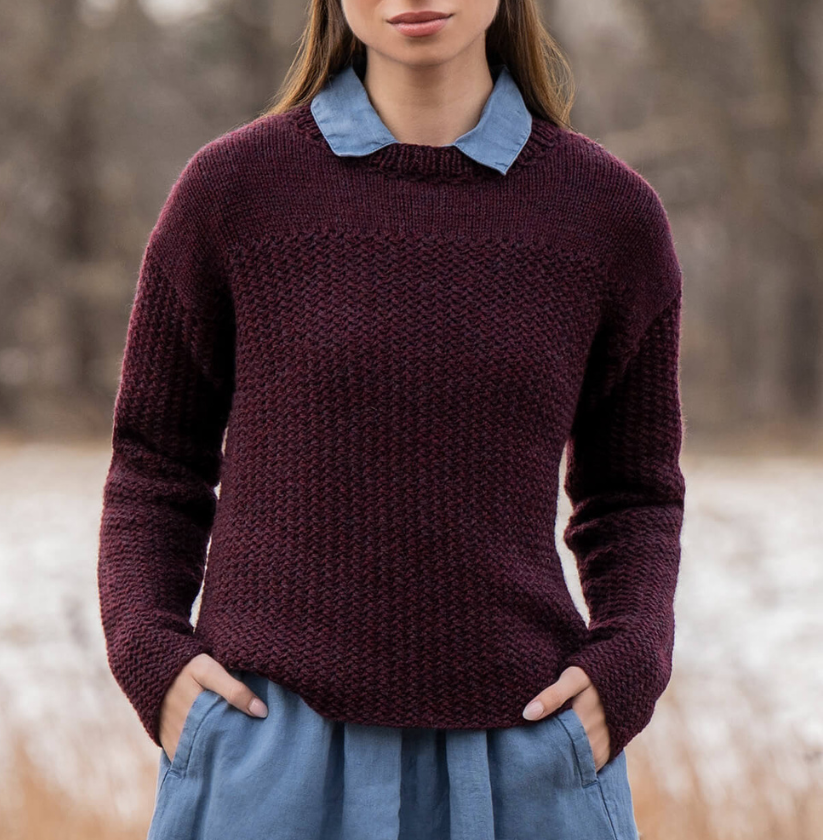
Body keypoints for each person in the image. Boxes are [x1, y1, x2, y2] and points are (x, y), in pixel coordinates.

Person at [97, 1, 686, 838]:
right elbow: (155, 463)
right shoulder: (233, 195)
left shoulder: (608, 216)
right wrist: (150, 653)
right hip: (269, 757)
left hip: (526, 753)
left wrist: (632, 659)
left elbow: (634, 493)